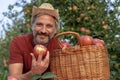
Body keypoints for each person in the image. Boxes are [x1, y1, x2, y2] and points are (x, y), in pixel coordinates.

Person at [8, 3, 60, 80]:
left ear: (55, 30)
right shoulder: (19, 43)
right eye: (39, 24)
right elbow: (14, 78)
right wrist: (33, 73)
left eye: (49, 26)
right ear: (32, 26)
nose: (43, 31)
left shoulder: (60, 47)